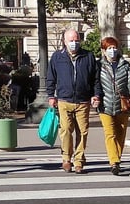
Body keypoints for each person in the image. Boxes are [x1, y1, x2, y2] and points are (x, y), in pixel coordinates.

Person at [47, 28, 100, 174]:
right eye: (71, 40)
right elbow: (51, 77)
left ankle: (79, 161)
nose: (74, 43)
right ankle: (66, 158)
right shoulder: (57, 57)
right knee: (65, 131)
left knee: (82, 132)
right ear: (65, 41)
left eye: (77, 40)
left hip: (83, 101)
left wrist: (96, 95)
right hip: (64, 100)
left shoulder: (88, 56)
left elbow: (95, 78)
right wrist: (51, 96)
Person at [94, 36, 130, 176]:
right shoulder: (98, 65)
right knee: (110, 134)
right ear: (103, 50)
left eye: (114, 48)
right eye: (109, 48)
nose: (112, 51)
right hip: (105, 105)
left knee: (121, 133)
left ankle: (116, 159)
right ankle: (114, 162)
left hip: (122, 104)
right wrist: (95, 97)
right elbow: (95, 83)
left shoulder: (124, 64)